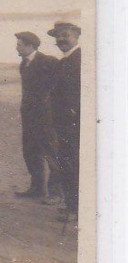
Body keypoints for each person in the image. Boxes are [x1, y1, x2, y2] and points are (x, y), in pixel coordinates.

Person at [14, 31, 61, 203]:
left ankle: (56, 192)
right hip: (29, 117)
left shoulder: (47, 62)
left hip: (45, 117)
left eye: (19, 44)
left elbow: (56, 88)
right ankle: (37, 188)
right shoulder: (23, 64)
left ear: (30, 45)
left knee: (51, 154)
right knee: (30, 152)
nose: (16, 47)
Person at [48, 22, 81, 217]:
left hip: (73, 123)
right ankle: (71, 205)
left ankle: (75, 208)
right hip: (62, 123)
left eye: (65, 35)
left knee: (72, 163)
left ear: (76, 35)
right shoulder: (64, 61)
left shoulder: (81, 59)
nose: (61, 40)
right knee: (67, 162)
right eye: (58, 36)